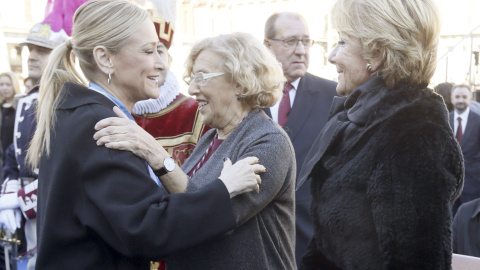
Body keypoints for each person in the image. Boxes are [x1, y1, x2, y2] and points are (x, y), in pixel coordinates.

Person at [26, 1, 263, 269]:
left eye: (160, 51)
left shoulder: (83, 113)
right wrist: (224, 189)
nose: (160, 63)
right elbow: (147, 229)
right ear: (105, 58)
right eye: (149, 51)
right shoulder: (101, 125)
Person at [94, 32, 296, 269]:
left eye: (202, 77)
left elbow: (212, 218)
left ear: (240, 81)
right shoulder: (211, 137)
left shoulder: (268, 141)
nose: (191, 89)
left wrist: (154, 153)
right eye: (191, 78)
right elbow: (191, 204)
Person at [297, 0, 464, 268]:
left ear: (376, 53)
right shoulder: (367, 118)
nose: (332, 56)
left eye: (341, 42)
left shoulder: (413, 131)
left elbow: (416, 261)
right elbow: (330, 243)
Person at [262, 11, 338, 264]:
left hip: (311, 242)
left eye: (306, 41)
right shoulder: (246, 96)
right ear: (267, 45)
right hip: (255, 240)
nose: (301, 50)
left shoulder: (334, 96)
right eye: (291, 41)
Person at [0, 19, 69, 269]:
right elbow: (13, 151)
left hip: (53, 206)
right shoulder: (29, 98)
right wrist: (9, 190)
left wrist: (21, 199)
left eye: (42, 51)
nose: (31, 56)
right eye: (31, 50)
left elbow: (66, 163)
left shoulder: (67, 96)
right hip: (30, 206)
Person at [132, 15, 210, 167]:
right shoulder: (114, 110)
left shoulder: (197, 113)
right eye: (147, 52)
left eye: (159, 52)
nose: (155, 63)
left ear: (169, 60)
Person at [450, 84, 480, 215]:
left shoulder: (478, 121)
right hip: (449, 186)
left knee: (469, 224)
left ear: (471, 98)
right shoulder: (444, 119)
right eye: (457, 97)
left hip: (473, 184)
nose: (460, 100)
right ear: (451, 98)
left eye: (464, 97)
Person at [0, 72, 21, 160]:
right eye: (1, 84)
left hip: (14, 158)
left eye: (8, 85)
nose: (4, 88)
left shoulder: (20, 108)